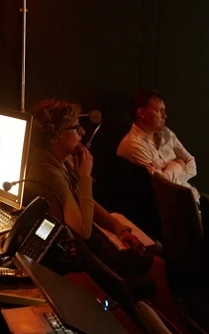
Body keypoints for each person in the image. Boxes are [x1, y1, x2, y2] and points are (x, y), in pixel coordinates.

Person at [25, 98, 158, 276]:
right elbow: (83, 230)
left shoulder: (60, 160)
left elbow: (85, 202)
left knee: (155, 252)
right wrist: (85, 178)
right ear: (55, 134)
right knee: (157, 262)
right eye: (75, 126)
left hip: (88, 246)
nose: (82, 131)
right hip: (78, 256)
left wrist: (118, 227)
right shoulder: (49, 174)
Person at [116, 89, 199, 200]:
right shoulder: (132, 144)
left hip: (192, 196)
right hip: (169, 207)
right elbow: (161, 186)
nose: (165, 115)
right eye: (160, 110)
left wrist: (166, 170)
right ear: (141, 113)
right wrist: (178, 163)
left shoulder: (166, 133)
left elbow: (191, 163)